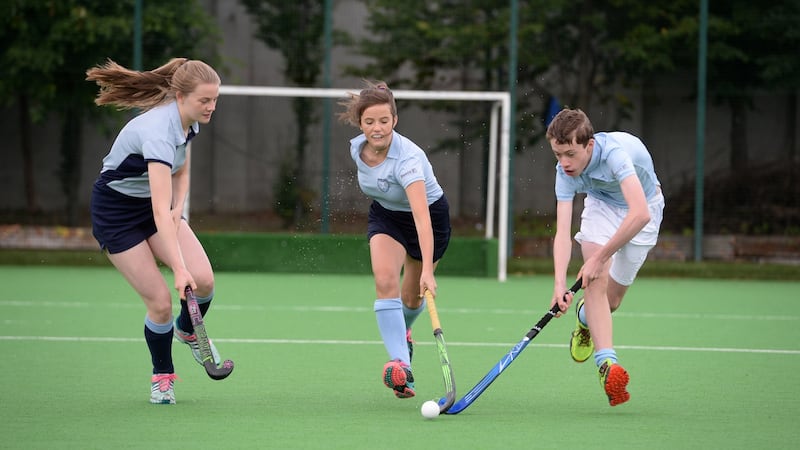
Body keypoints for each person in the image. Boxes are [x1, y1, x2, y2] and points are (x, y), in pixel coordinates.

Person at [86, 58, 224, 404]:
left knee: (204, 280)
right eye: (204, 100)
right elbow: (160, 212)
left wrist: (180, 207)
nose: (211, 106)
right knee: (161, 302)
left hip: (154, 204)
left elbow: (181, 171)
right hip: (117, 213)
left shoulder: (189, 121)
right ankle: (162, 376)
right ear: (180, 97)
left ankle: (187, 330)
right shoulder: (158, 133)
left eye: (214, 99)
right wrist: (178, 268)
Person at [338, 81, 451, 399]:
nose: (377, 128)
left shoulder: (408, 160)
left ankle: (405, 331)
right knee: (385, 279)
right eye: (370, 121)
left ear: (395, 121)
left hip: (428, 219)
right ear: (360, 123)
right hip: (386, 216)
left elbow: (422, 218)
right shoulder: (357, 148)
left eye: (384, 121)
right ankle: (401, 365)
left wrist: (427, 270)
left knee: (411, 299)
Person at [546, 108, 664, 407]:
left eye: (570, 154)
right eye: (558, 154)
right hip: (602, 206)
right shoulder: (563, 173)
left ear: (589, 145)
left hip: (644, 208)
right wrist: (559, 284)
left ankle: (584, 318)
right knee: (595, 281)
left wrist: (599, 258)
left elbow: (640, 213)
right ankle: (607, 366)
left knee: (611, 302)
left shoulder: (614, 155)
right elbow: (562, 233)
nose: (564, 163)